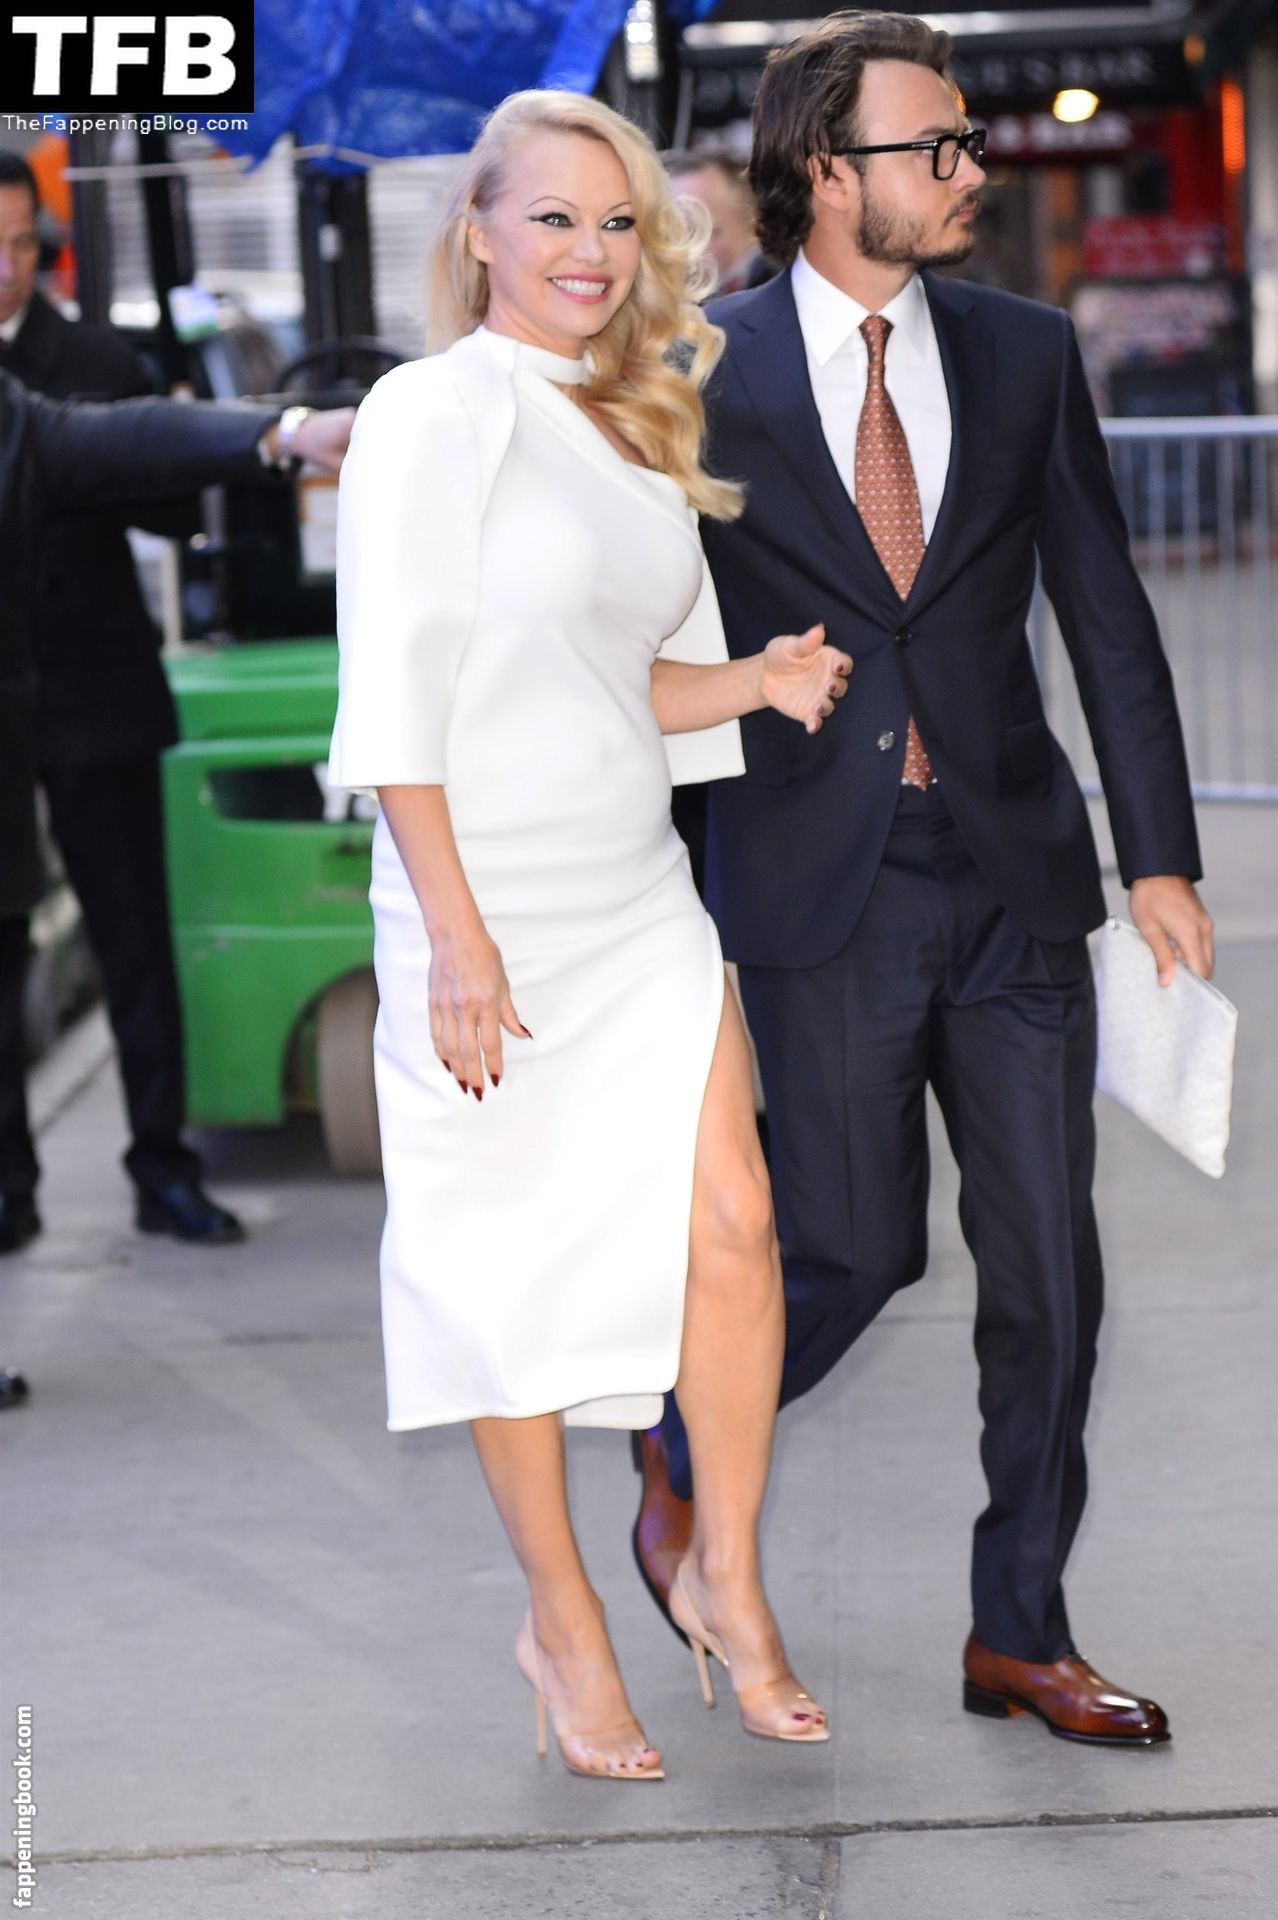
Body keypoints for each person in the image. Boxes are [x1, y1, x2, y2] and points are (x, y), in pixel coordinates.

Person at [633, 10, 1214, 1749]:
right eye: (934, 146)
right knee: (851, 1248)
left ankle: (1018, 1631)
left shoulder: (1025, 352)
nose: (970, 170)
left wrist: (1157, 854)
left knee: (1052, 1277)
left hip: (1012, 874)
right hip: (817, 880)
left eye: (964, 141)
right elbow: (624, 624)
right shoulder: (694, 364)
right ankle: (677, 1442)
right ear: (829, 171)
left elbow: (1104, 615)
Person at [326, 89, 853, 1781]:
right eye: (551, 216)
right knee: (506, 1277)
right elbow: (394, 692)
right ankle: (560, 1621)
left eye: (617, 221)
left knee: (737, 1224)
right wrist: (455, 940)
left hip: (631, 898)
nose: (589, 250)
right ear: (476, 232)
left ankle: (722, 1576)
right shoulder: (428, 411)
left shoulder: (633, 421)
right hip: (478, 905)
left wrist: (756, 679)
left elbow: (633, 685)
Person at [0, 150, 242, 1251]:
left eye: (21, 245)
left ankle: (163, 1164)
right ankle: (10, 1190)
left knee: (133, 934)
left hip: (94, 688)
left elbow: (171, 506)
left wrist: (171, 442)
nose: (7, 267)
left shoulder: (93, 359)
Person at [663, 149, 770, 295]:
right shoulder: (678, 295)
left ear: (751, 215)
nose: (682, 252)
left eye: (697, 233)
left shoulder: (788, 282)